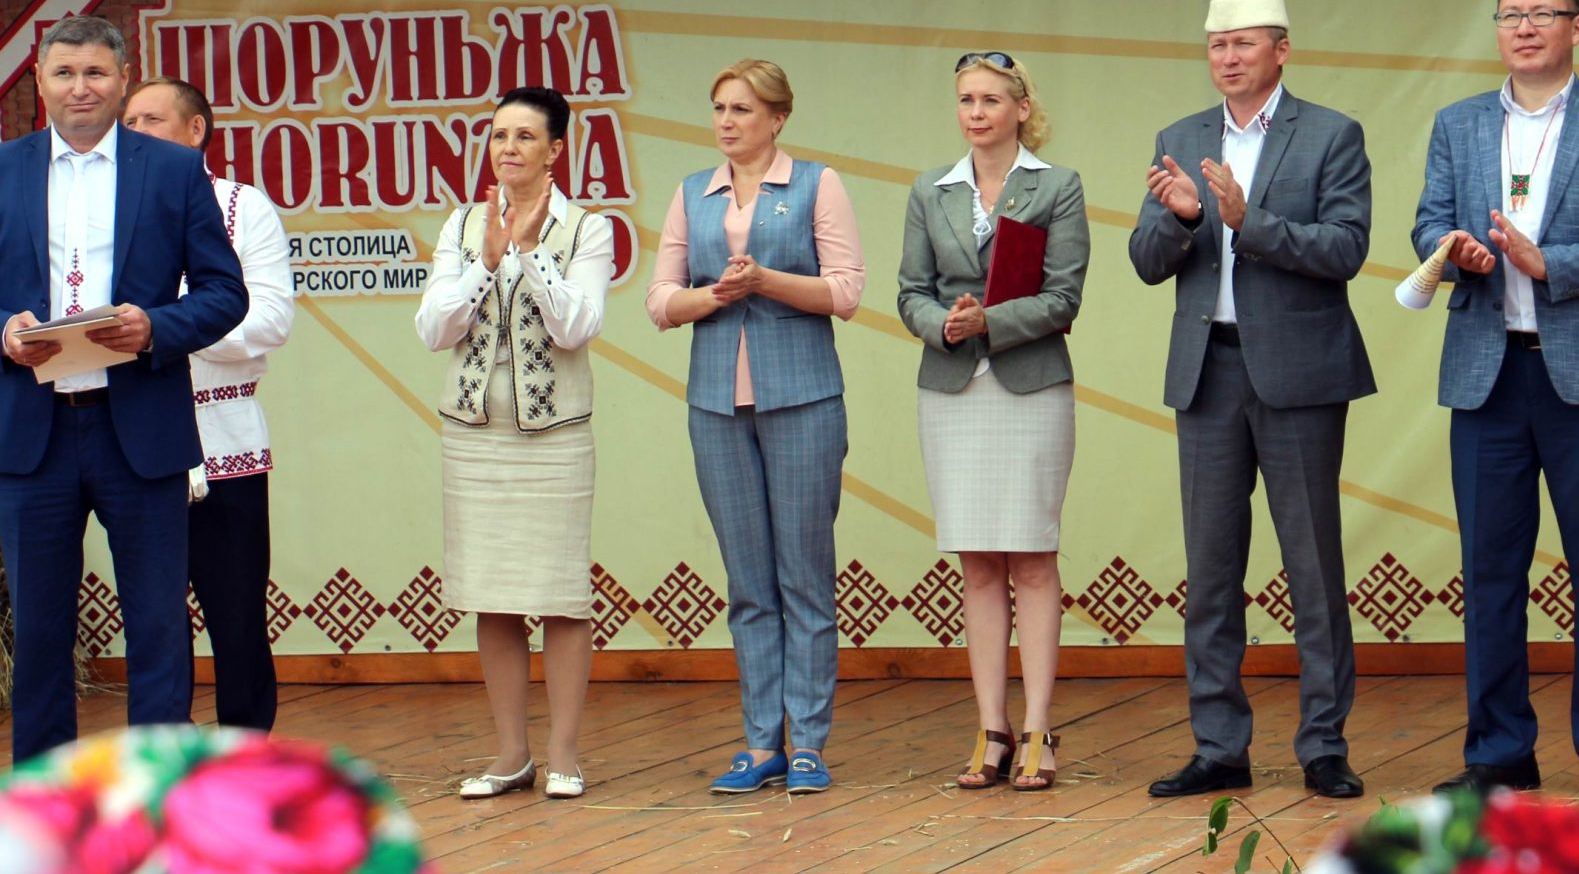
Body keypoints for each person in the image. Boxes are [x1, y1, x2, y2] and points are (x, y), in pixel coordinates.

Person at [0, 13, 249, 762]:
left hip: (140, 428)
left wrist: (155, 326)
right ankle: (45, 797)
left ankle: (155, 792)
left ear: (123, 79)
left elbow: (224, 292)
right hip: (31, 433)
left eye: (96, 72)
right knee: (40, 632)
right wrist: (1, 333)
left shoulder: (171, 170)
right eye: (65, 72)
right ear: (39, 81)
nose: (81, 87)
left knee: (158, 626)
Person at [1406, 0, 1579, 801]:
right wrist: (1457, 250)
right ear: (1497, 29)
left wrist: (1548, 261)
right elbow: (1427, 220)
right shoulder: (1458, 123)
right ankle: (1498, 751)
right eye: (1511, 15)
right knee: (1490, 569)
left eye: (1542, 14)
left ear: (1577, 27)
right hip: (1487, 375)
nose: (1524, 27)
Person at [1129, 0, 1374, 802]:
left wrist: (1246, 221)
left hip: (1300, 371)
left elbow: (1345, 249)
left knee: (1312, 564)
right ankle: (1219, 744)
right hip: (1208, 370)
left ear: (1281, 50)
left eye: (1242, 43)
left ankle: (1324, 743)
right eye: (1217, 45)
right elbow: (1146, 261)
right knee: (1210, 569)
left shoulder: (1331, 133)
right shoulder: (1179, 133)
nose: (1228, 57)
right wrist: (1185, 217)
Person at [646, 60, 866, 797]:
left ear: (778, 117)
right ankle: (761, 742)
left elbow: (846, 291)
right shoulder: (692, 192)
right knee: (747, 583)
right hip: (716, 406)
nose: (727, 121)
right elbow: (660, 301)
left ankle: (809, 742)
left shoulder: (816, 184)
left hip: (803, 399)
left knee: (804, 576)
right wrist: (716, 294)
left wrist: (765, 281)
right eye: (719, 108)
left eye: (742, 108)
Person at [896, 52, 1090, 793]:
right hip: (952, 389)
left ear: (1020, 108)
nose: (975, 112)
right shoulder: (930, 189)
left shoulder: (1057, 185)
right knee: (977, 561)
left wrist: (992, 320)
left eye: (990, 99)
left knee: (1032, 558)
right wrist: (942, 324)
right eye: (966, 100)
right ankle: (991, 728)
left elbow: (1064, 296)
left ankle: (1038, 725)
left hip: (1031, 385)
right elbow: (910, 291)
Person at [413, 87, 613, 801]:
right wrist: (484, 261)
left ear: (555, 149)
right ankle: (510, 753)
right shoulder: (462, 223)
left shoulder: (587, 228)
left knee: (561, 594)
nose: (508, 148)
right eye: (499, 135)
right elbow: (433, 329)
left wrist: (528, 254)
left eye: (525, 136)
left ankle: (564, 753)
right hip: (474, 436)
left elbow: (576, 327)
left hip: (555, 437)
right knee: (492, 594)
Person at [122, 76, 296, 733]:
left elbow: (270, 318)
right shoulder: (109, 215)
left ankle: (245, 757)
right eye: (128, 122)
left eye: (151, 119)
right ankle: (163, 756)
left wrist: (163, 329)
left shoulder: (242, 207)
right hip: (134, 436)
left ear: (196, 131)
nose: (135, 132)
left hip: (224, 435)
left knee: (236, 614)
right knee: (153, 616)